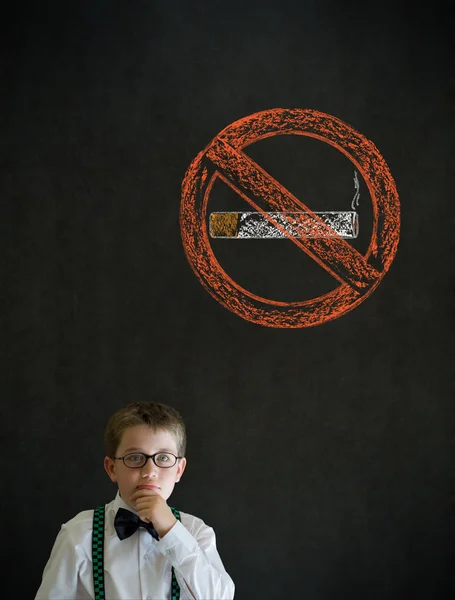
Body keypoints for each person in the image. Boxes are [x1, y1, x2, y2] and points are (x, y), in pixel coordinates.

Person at [35, 400, 235, 599]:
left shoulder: (196, 532)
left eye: (164, 458)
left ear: (179, 470)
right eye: (135, 458)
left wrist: (172, 533)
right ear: (112, 468)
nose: (150, 472)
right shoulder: (78, 535)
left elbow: (220, 597)